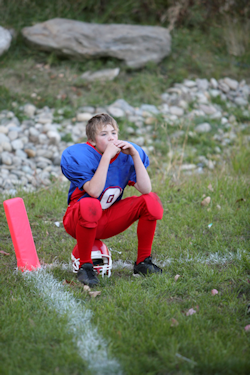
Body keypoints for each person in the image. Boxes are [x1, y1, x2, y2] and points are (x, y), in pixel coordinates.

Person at [61, 113, 163, 287]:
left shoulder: (125, 156)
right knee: (90, 203)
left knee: (150, 201)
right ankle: (85, 267)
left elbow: (146, 189)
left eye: (114, 133)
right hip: (78, 220)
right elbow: (93, 191)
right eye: (104, 134)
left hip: (107, 218)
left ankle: (143, 262)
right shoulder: (80, 155)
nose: (111, 138)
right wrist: (106, 157)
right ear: (92, 141)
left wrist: (135, 156)